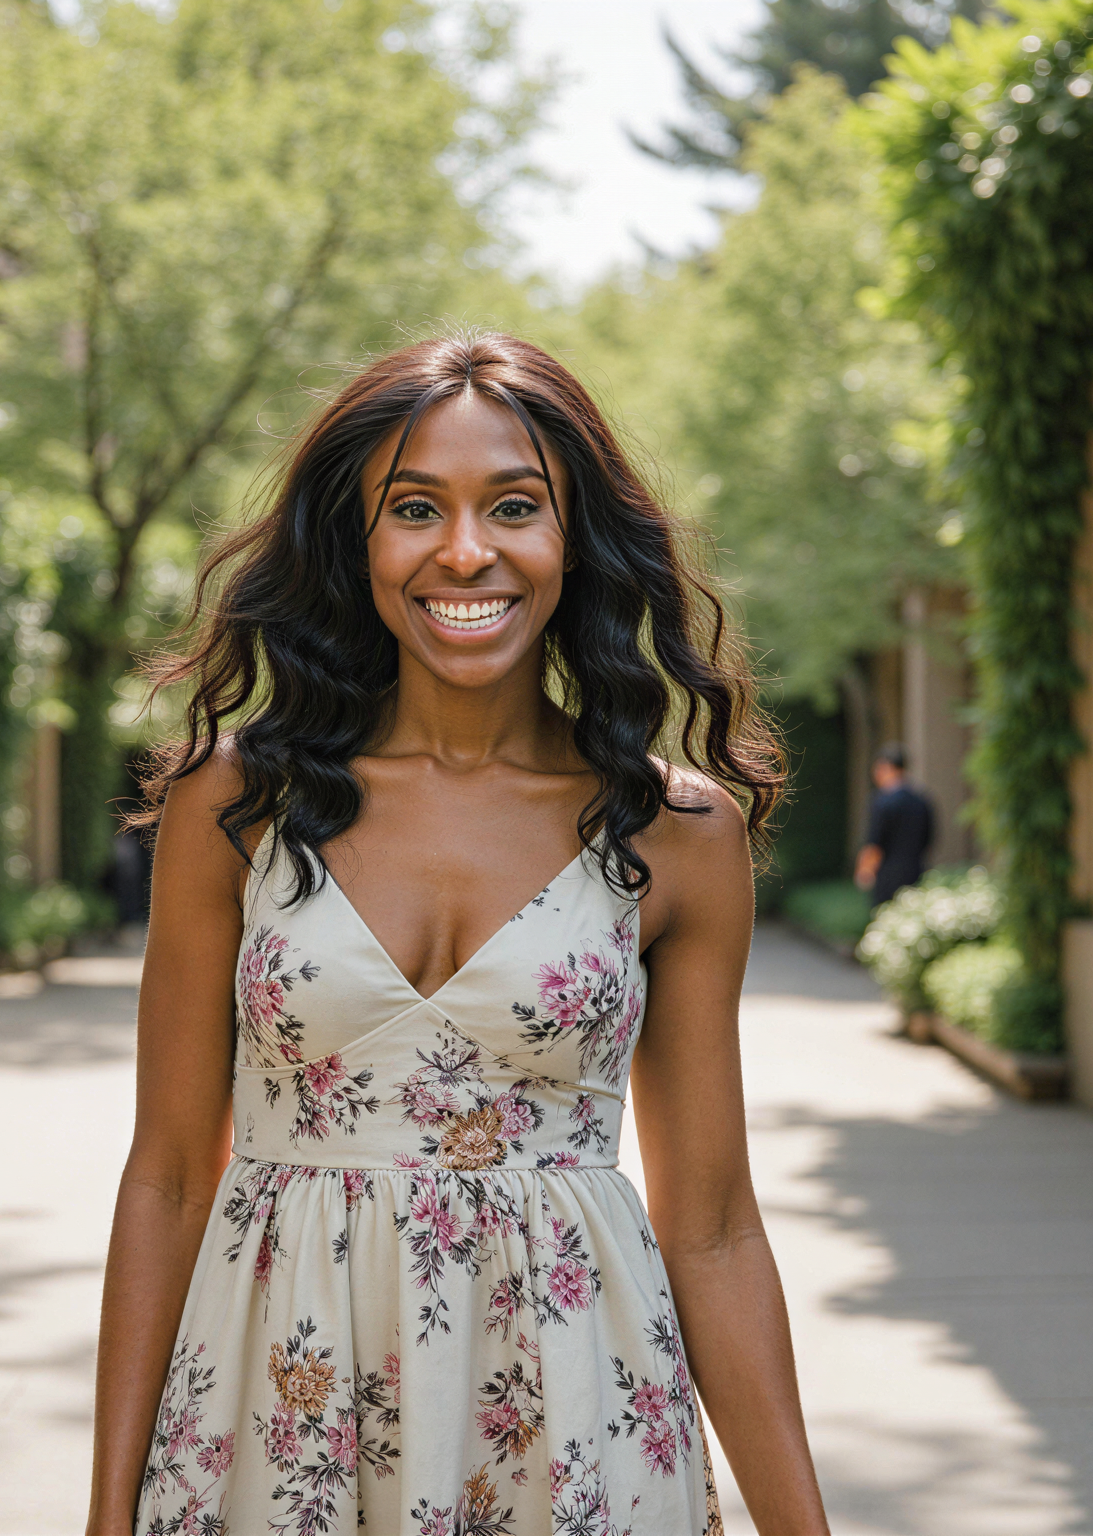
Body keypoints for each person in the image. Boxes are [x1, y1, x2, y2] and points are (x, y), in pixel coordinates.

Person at [85, 334, 831, 1534]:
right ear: (357, 542)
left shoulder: (677, 834)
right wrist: (105, 1514)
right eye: (414, 507)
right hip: (281, 1420)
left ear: (573, 540)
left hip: (573, 1415)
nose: (465, 550)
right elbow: (169, 1177)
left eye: (515, 507)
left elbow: (714, 1226)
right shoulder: (231, 806)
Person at [854, 743, 936, 906]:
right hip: (916, 872)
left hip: (887, 877)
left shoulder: (882, 802)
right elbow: (929, 838)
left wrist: (864, 871)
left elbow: (875, 842)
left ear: (885, 767)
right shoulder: (922, 800)